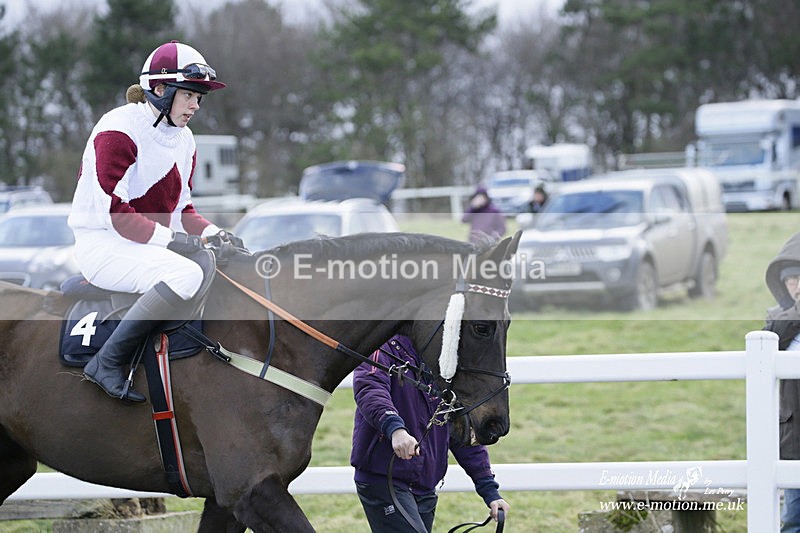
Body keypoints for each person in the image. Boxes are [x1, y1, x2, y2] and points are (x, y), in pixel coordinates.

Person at [68, 40, 242, 404]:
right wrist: (176, 242)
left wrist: (217, 234)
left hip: (142, 244)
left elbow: (184, 212)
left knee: (218, 265)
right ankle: (107, 363)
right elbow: (116, 214)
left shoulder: (186, 139)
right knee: (187, 273)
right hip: (102, 243)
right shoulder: (117, 129)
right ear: (160, 89)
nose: (196, 105)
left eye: (200, 97)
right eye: (190, 94)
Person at [351, 334, 510, 532]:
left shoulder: (445, 359)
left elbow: (459, 430)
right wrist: (396, 430)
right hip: (385, 478)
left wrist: (490, 491)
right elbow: (370, 389)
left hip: (425, 485)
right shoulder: (380, 345)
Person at [763, 231, 800, 532]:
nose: (798, 285)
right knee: (793, 518)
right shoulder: (779, 318)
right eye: (791, 279)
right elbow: (764, 351)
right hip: (795, 438)